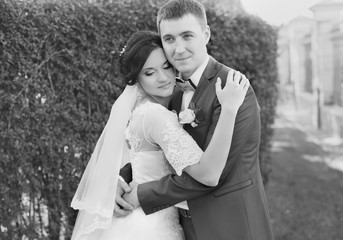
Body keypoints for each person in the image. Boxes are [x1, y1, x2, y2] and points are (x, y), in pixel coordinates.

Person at [117, 1, 275, 240]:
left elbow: (213, 175)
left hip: (230, 226)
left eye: (187, 36)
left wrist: (142, 193)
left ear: (206, 34)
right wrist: (124, 179)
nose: (178, 49)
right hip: (182, 228)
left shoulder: (234, 89)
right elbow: (163, 152)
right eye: (169, 39)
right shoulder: (172, 91)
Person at [70, 30, 249, 240]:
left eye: (166, 66)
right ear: (135, 78)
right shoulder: (155, 116)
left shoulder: (146, 109)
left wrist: (118, 179)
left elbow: (143, 163)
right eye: (149, 72)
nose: (163, 78)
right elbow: (208, 174)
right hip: (151, 227)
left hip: (148, 218)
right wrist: (229, 108)